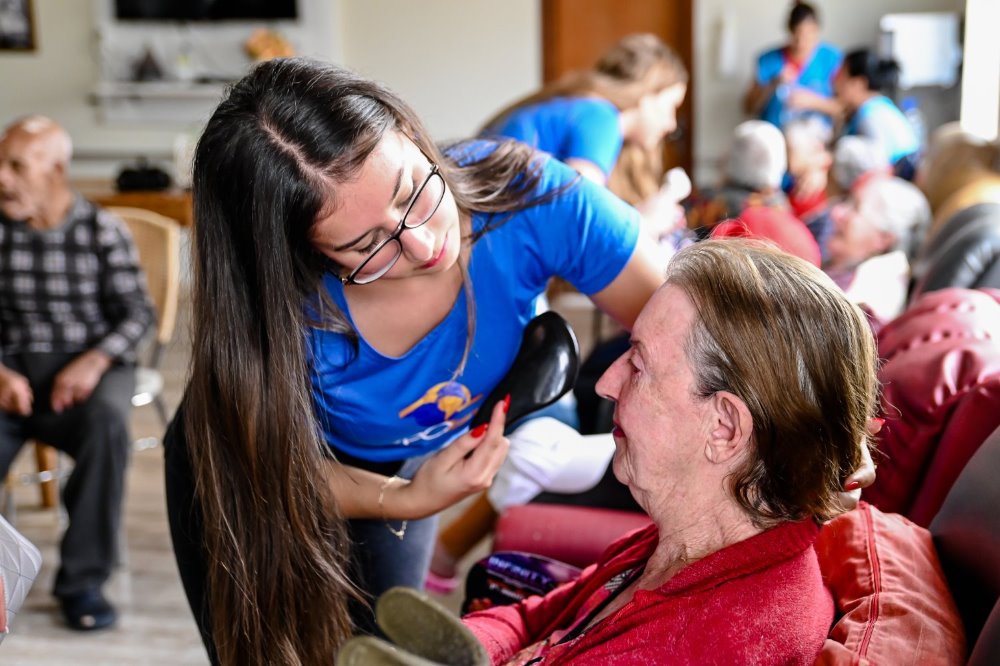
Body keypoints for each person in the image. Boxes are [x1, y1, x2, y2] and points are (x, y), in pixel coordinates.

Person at [162, 57, 666, 664]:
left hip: (400, 461)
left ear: (411, 134)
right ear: (303, 256)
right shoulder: (281, 310)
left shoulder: (527, 197)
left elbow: (690, 324)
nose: (426, 246)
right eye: (366, 245)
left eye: (414, 192)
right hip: (254, 475)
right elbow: (268, 468)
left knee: (383, 646)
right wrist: (403, 500)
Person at [338, 239, 881, 665]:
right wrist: (475, 648)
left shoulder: (708, 640)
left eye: (638, 365)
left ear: (724, 426)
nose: (606, 383)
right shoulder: (697, 537)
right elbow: (539, 617)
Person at [0, 115, 155, 630]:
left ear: (57, 171)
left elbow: (138, 314)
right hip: (13, 374)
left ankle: (83, 585)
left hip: (87, 370)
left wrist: (94, 361)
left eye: (16, 166)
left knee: (107, 427)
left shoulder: (100, 230)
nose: (1, 177)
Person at [825, 174, 930, 322]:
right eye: (846, 201)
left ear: (883, 239)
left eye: (855, 207)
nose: (837, 212)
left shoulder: (864, 307)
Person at [743, 1, 843, 130]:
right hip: (773, 131)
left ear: (817, 30)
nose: (801, 43)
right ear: (789, 31)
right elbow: (748, 107)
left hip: (813, 134)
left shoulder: (831, 59)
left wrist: (813, 102)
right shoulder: (769, 60)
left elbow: (843, 108)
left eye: (808, 35)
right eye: (797, 36)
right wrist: (773, 83)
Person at [834, 49, 921, 181]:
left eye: (841, 75)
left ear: (859, 83)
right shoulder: (877, 106)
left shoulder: (871, 115)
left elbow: (878, 165)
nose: (834, 80)